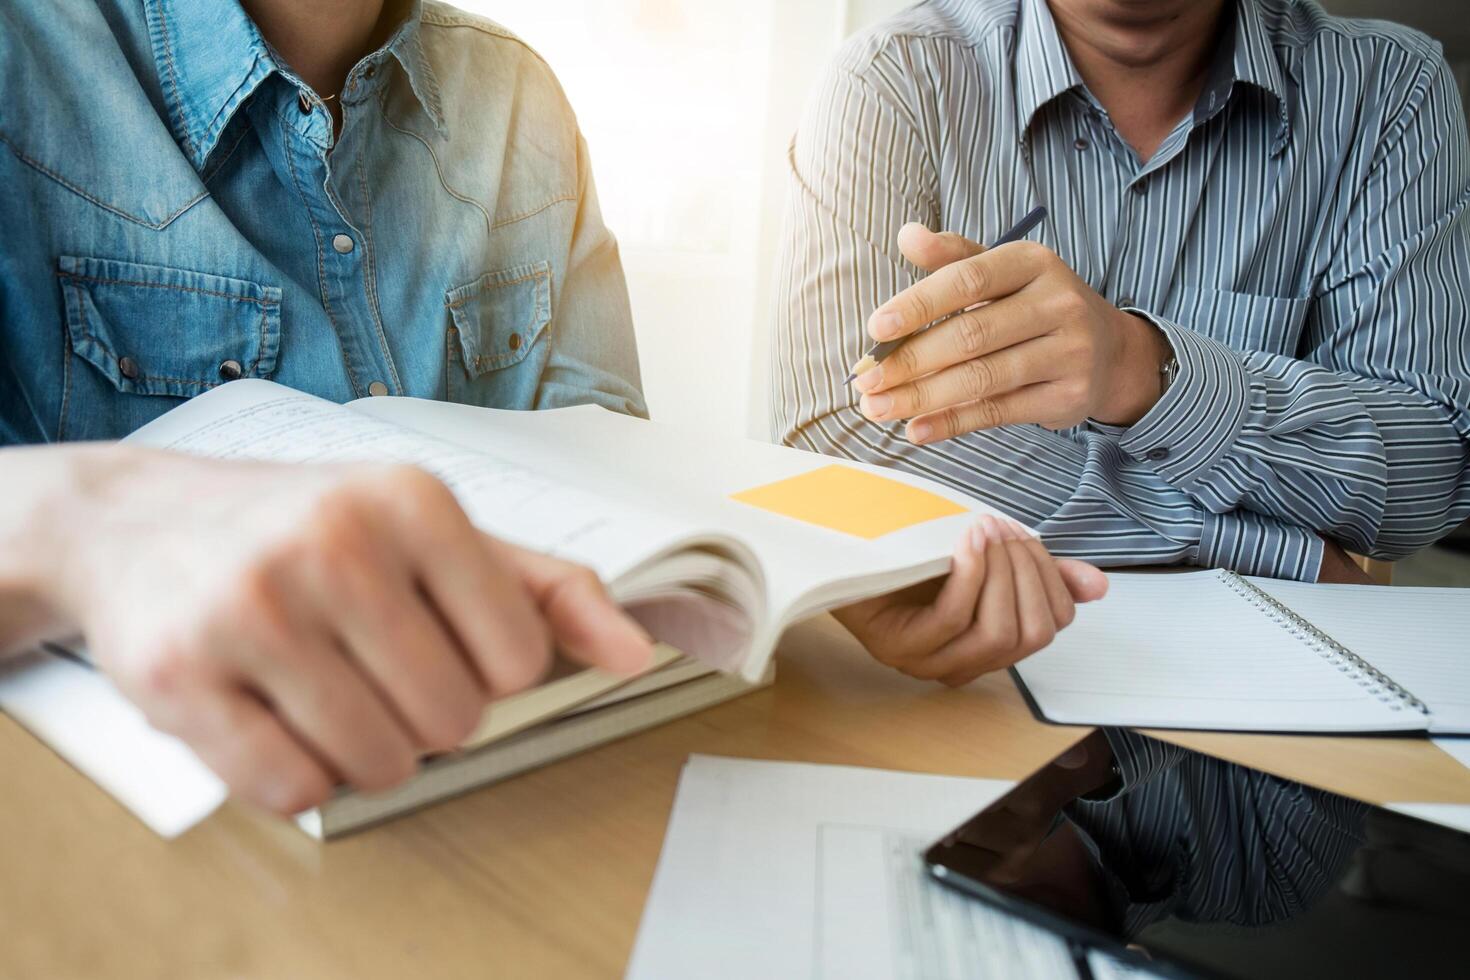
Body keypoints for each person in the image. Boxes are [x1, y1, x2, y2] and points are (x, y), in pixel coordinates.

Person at [0, 0, 1103, 816]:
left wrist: (811, 577)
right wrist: (89, 512)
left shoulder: (514, 100)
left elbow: (612, 475)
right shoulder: (25, 62)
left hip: (508, 798)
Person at [774, 0, 1470, 631]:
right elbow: (833, 433)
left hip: (1254, 720)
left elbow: (1428, 478)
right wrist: (1260, 548)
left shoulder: (1390, 90)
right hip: (971, 686)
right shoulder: (895, 76)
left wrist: (1143, 370)